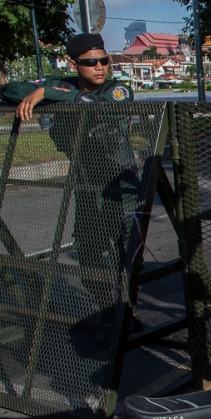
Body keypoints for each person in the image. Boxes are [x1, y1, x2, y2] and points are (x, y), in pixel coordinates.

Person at [1, 32, 139, 336]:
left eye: (104, 60)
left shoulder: (118, 91)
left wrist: (49, 94)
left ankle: (128, 313)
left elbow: (94, 104)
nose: (100, 67)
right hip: (88, 187)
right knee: (88, 254)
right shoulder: (61, 84)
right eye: (90, 62)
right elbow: (10, 91)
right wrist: (44, 90)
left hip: (121, 186)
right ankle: (111, 312)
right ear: (73, 63)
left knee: (128, 255)